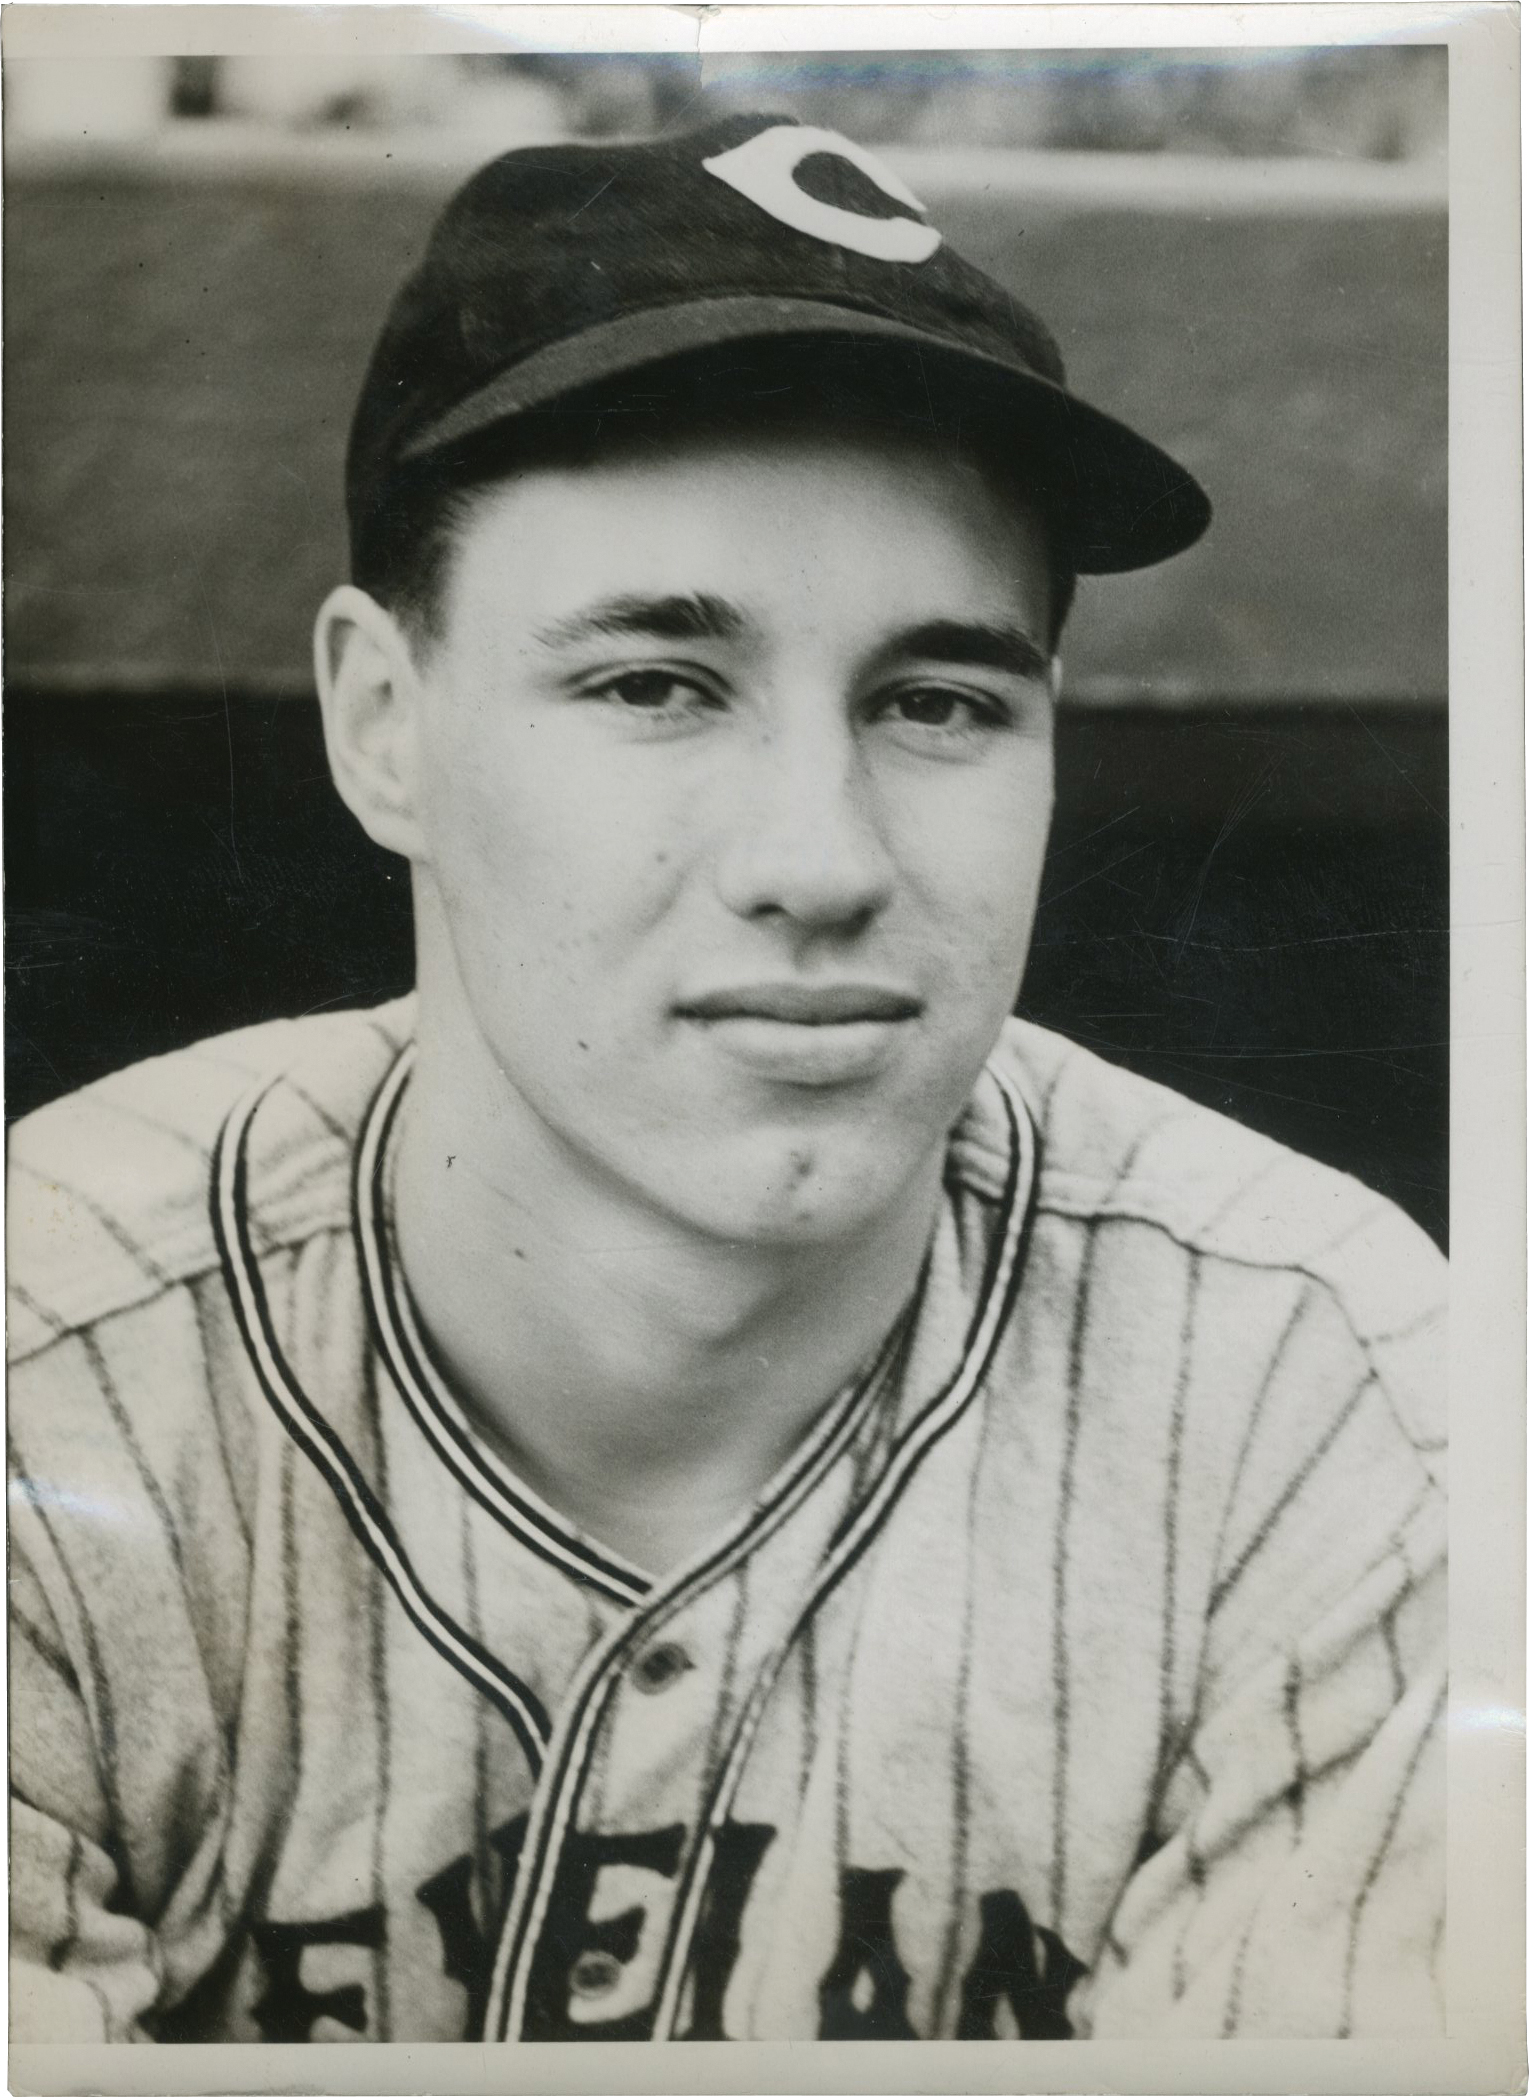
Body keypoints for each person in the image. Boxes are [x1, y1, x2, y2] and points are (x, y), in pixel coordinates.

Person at [8, 112, 1445, 2046]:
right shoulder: (49, 1364)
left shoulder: (1331, 1395)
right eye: (653, 685)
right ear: (382, 726)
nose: (821, 856)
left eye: (936, 701)